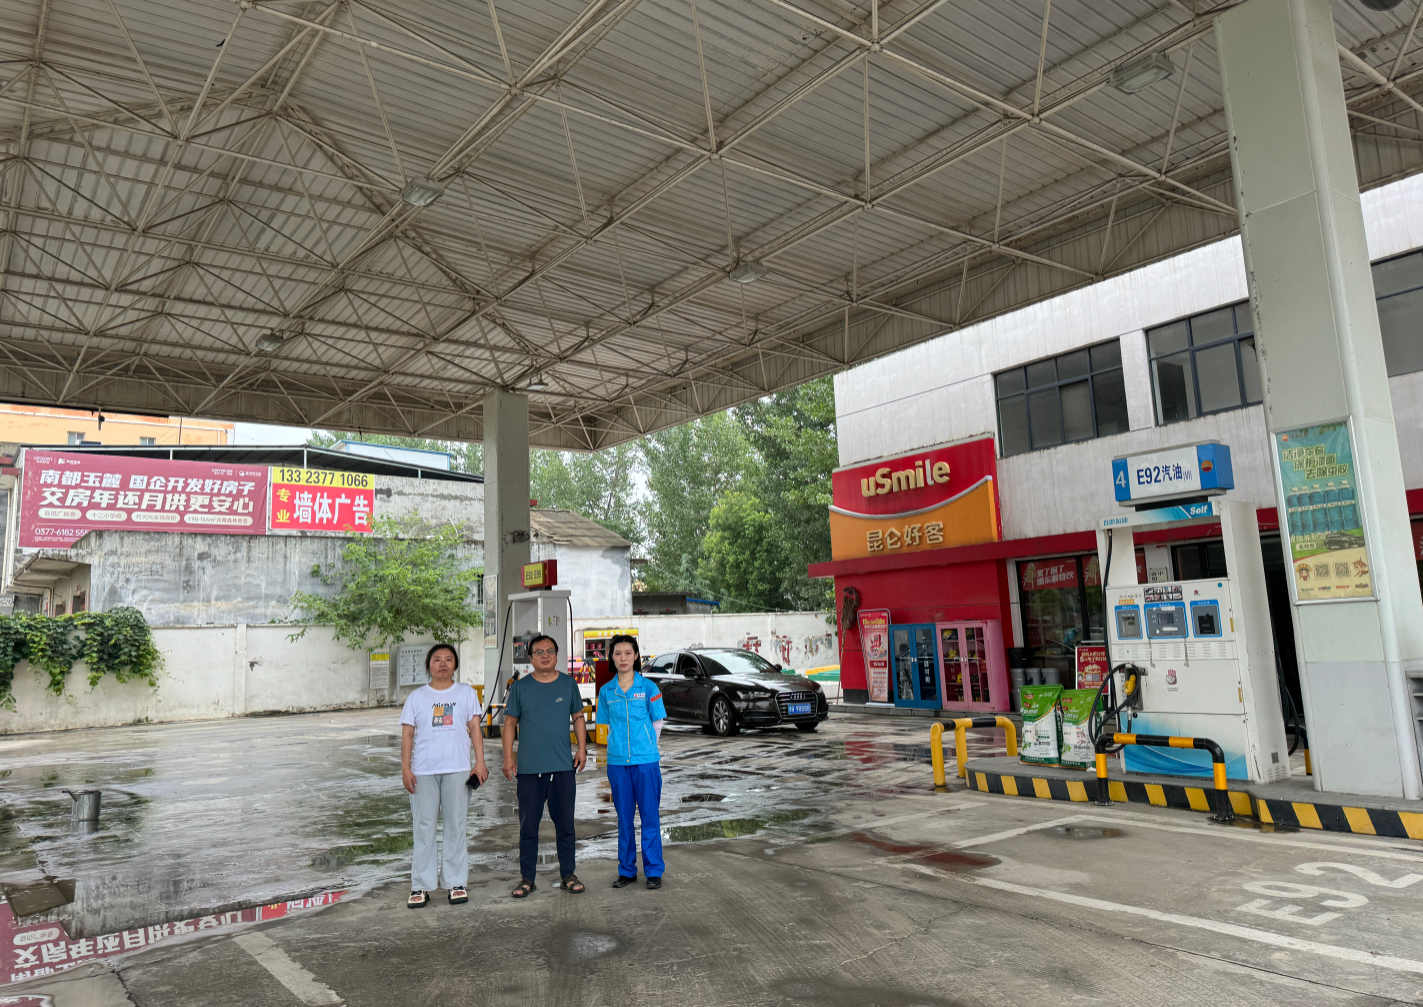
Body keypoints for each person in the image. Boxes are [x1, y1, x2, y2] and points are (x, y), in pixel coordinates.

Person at [400, 643, 488, 908]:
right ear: (429, 664)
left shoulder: (465, 693)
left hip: (457, 768)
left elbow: (475, 728)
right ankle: (421, 885)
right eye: (437, 659)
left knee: (456, 826)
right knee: (424, 827)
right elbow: (407, 733)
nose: (443, 664)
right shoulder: (417, 697)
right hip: (423, 770)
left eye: (448, 659)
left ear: (455, 665)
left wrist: (480, 762)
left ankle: (456, 882)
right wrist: (405, 767)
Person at [501, 633, 588, 898]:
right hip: (529, 770)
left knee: (566, 826)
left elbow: (578, 717)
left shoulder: (568, 684)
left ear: (557, 655)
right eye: (539, 652)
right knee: (528, 828)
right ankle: (527, 879)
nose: (545, 655)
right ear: (531, 658)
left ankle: (568, 874)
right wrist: (508, 758)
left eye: (550, 651)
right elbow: (509, 723)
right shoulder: (520, 688)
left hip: (562, 768)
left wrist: (582, 748)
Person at [595, 634, 667, 889]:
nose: (623, 658)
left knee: (649, 817)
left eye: (628, 653)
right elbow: (604, 726)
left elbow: (657, 722)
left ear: (636, 656)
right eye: (618, 653)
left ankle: (654, 871)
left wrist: (646, 746)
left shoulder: (649, 688)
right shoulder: (606, 691)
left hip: (646, 763)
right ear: (611, 658)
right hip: (617, 764)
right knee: (624, 819)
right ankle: (626, 871)